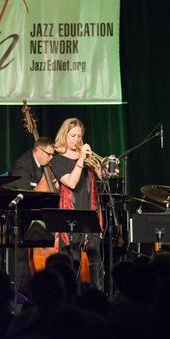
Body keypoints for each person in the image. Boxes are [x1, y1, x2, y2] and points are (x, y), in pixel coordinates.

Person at [50, 118, 103, 286]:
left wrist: (106, 168)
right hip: (71, 216)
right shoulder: (57, 160)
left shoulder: (87, 159)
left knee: (96, 263)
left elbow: (102, 177)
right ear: (64, 136)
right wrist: (81, 160)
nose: (77, 139)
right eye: (73, 136)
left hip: (90, 214)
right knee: (73, 264)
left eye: (79, 136)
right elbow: (71, 183)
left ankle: (97, 296)